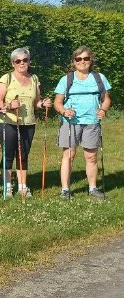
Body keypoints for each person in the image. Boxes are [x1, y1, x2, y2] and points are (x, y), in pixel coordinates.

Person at [52, 46, 112, 199]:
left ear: (91, 60)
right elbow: (57, 102)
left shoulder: (99, 78)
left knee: (91, 156)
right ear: (74, 61)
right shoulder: (66, 79)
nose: (82, 61)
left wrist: (103, 110)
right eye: (78, 59)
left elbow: (106, 99)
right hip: (70, 123)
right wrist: (64, 111)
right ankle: (65, 190)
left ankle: (92, 188)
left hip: (92, 122)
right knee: (69, 155)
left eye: (86, 58)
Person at [0, 47, 52, 198]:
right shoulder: (6, 78)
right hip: (8, 122)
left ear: (29, 61)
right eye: (18, 61)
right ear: (13, 63)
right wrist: (9, 105)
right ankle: (7, 187)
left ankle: (22, 187)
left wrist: (43, 104)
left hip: (28, 123)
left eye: (25, 60)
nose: (22, 63)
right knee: (8, 154)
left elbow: (36, 102)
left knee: (23, 155)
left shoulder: (34, 78)